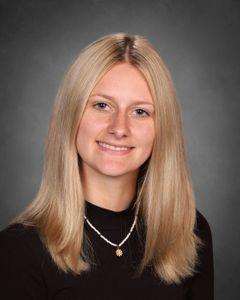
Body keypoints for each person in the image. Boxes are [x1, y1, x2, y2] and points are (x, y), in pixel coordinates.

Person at [0, 32, 214, 299]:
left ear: (162, 128)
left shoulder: (188, 233)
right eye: (102, 105)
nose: (119, 128)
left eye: (140, 111)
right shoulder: (17, 250)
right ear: (72, 115)